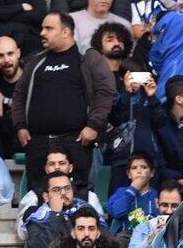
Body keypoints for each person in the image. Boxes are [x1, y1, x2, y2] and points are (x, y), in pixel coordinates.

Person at [13, 12, 116, 193]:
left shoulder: (86, 58)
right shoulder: (36, 62)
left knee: (77, 196)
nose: (42, 33)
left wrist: (93, 124)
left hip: (76, 142)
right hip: (39, 144)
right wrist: (20, 125)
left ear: (66, 32)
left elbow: (106, 91)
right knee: (38, 196)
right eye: (42, 28)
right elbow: (19, 95)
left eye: (49, 28)